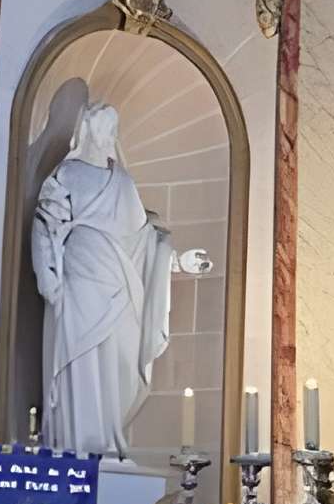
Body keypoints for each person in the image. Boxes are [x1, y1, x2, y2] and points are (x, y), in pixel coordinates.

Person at [31, 101, 210, 454]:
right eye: (103, 130)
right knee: (82, 363)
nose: (108, 137)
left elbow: (143, 241)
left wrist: (179, 262)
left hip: (123, 289)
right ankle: (77, 444)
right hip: (81, 286)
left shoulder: (124, 183)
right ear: (87, 133)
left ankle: (106, 442)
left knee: (120, 366)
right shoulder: (67, 175)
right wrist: (45, 272)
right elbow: (45, 225)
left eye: (112, 130)